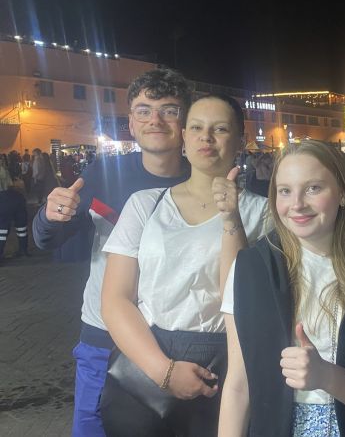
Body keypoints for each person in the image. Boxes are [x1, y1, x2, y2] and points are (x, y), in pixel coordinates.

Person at [33, 68, 193, 437]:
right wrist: (48, 216)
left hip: (176, 340)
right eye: (143, 110)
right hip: (103, 338)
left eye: (169, 110)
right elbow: (47, 240)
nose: (155, 120)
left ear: (185, 122)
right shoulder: (104, 174)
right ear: (131, 124)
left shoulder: (200, 181)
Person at [100, 93, 268, 436]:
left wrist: (231, 219)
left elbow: (240, 298)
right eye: (196, 127)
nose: (206, 137)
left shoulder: (263, 214)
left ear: (240, 141)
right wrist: (163, 371)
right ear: (184, 137)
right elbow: (115, 299)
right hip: (146, 356)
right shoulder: (145, 204)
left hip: (225, 363)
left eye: (220, 129)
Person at [219, 141, 345, 437]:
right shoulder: (251, 268)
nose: (297, 204)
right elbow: (238, 384)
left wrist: (325, 375)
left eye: (313, 188)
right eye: (285, 191)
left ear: (342, 193)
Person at [0, 157, 29, 264]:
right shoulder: (6, 169)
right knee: (21, 226)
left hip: (3, 199)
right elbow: (12, 184)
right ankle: (23, 250)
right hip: (15, 197)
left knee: (2, 228)